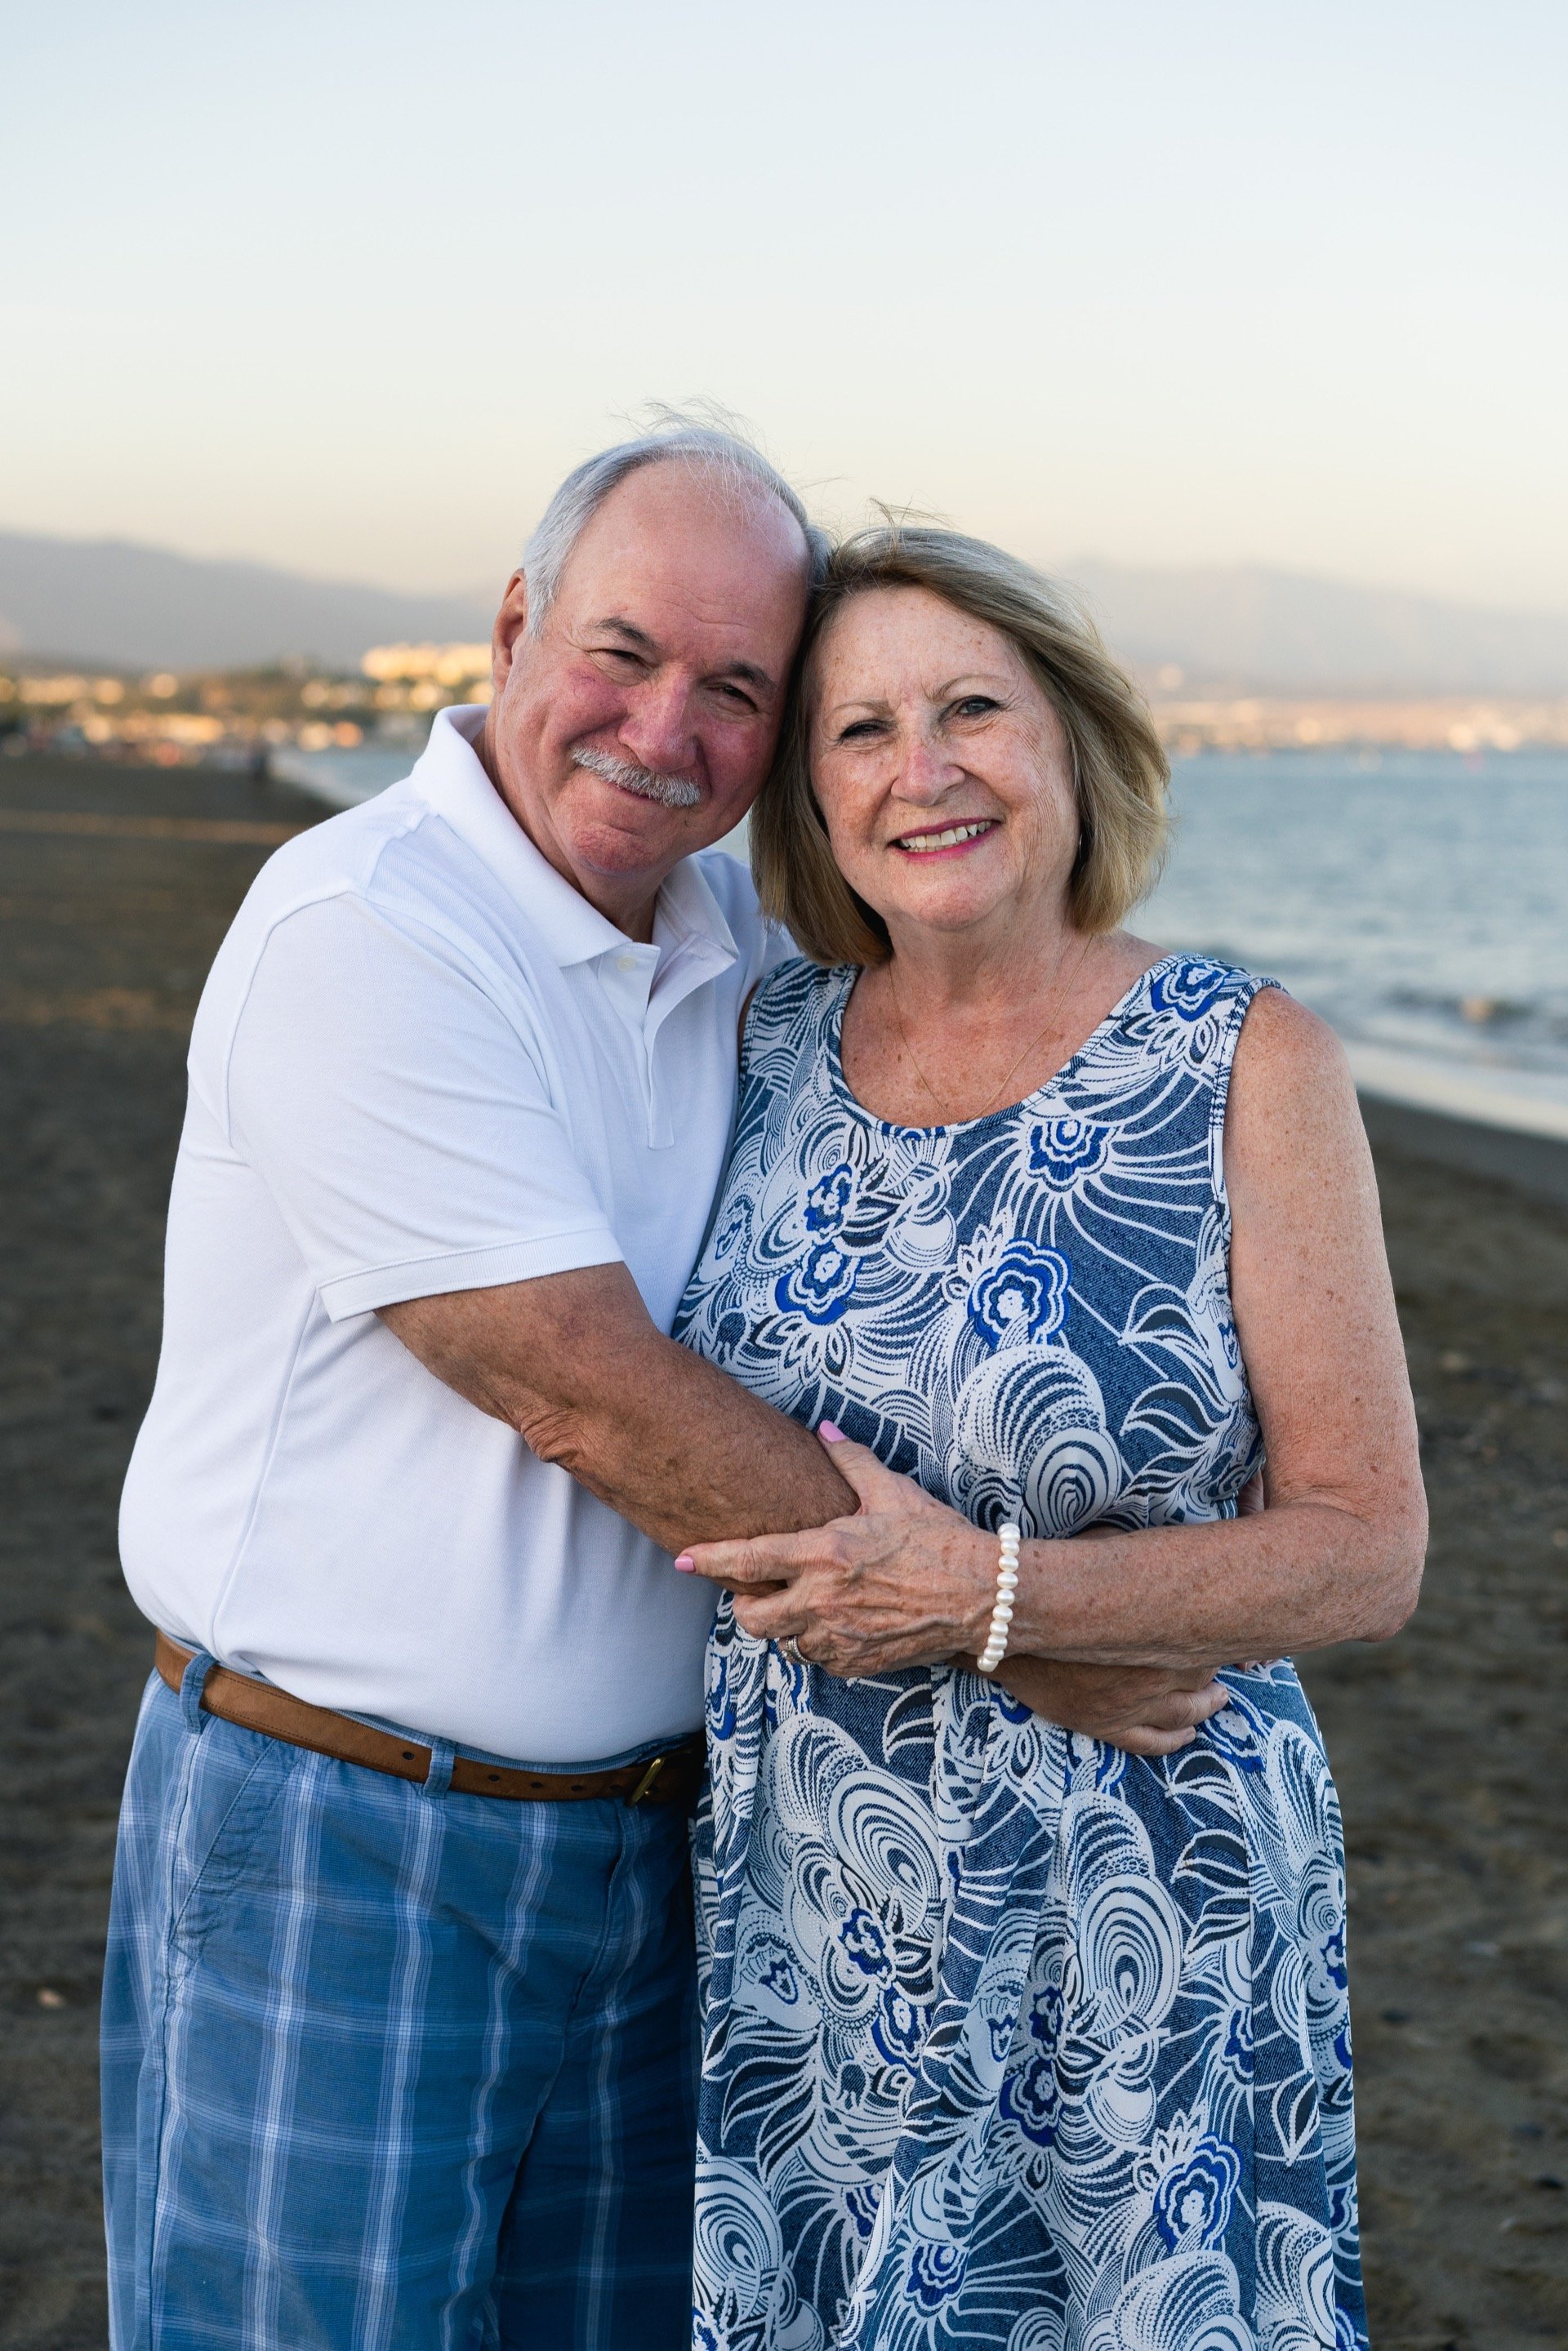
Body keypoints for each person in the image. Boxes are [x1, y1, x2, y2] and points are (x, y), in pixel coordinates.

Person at [102, 418, 1277, 2349]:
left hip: (687, 1848)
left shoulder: (735, 944)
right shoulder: (366, 927)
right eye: (628, 653)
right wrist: (1019, 1630)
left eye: (740, 690)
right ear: (512, 625)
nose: (667, 730)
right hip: (360, 1830)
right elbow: (581, 1388)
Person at [672, 525, 1427, 2351]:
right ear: (809, 799)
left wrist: (1000, 1601)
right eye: (858, 731)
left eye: (969, 710)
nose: (920, 770)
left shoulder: (1246, 1059)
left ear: (1073, 745)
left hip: (1139, 1909)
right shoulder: (758, 1040)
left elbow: (1365, 1545)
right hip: (811, 1907)